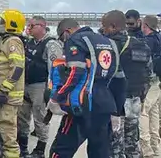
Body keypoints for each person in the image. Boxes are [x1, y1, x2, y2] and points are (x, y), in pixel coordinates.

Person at [49, 16, 125, 158]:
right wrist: (117, 111)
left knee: (61, 150)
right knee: (99, 152)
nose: (63, 41)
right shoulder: (110, 43)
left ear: (67, 31)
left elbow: (75, 72)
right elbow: (119, 80)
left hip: (82, 105)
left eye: (62, 38)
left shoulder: (75, 40)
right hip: (105, 106)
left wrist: (56, 98)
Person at [100, 10, 150, 158]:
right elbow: (148, 74)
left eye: (105, 26)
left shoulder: (106, 46)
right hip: (134, 100)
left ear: (113, 26)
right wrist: (141, 97)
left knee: (115, 146)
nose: (103, 30)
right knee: (132, 144)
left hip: (115, 104)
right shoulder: (141, 45)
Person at [18, 15, 59, 158]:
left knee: (40, 118)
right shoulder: (29, 42)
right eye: (28, 26)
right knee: (22, 117)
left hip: (40, 86)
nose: (28, 29)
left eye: (31, 26)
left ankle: (40, 150)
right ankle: (22, 148)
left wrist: (51, 90)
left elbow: (56, 69)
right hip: (26, 84)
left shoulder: (51, 44)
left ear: (41, 26)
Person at [0, 9, 26, 158]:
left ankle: (11, 155)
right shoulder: (5, 41)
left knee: (8, 130)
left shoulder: (13, 42)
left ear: (11, 24)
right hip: (3, 95)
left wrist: (4, 89)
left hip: (7, 96)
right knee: (4, 129)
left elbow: (17, 67)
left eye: (2, 22)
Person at [139, 14, 161, 157]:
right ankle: (156, 149)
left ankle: (147, 151)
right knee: (154, 114)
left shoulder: (147, 41)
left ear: (145, 25)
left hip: (149, 81)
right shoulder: (159, 38)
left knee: (143, 112)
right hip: (158, 82)